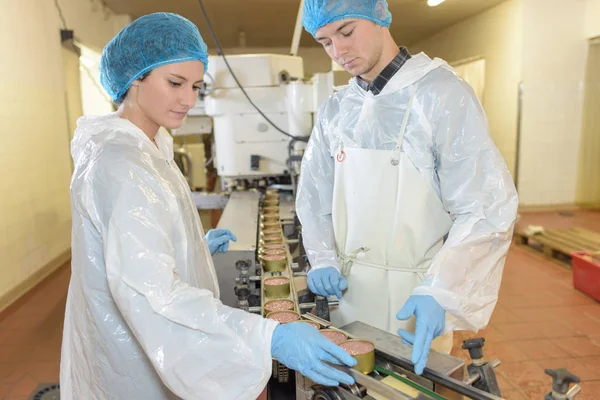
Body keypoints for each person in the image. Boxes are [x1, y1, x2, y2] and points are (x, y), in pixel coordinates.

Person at [60, 12, 357, 400]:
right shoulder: (123, 163)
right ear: (134, 78)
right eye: (175, 83)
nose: (189, 99)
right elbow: (153, 296)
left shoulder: (149, 145)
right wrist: (269, 337)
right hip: (134, 365)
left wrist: (189, 245)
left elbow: (131, 245)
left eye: (197, 85)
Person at [296, 0, 519, 375]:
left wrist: (440, 289)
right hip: (349, 296)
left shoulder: (441, 95)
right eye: (325, 42)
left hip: (418, 299)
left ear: (379, 15)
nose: (339, 51)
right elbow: (315, 197)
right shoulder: (337, 109)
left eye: (347, 31)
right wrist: (322, 258)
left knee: (413, 388)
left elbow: (484, 207)